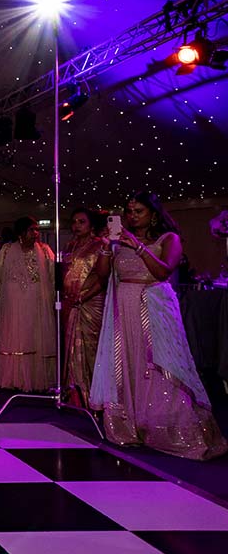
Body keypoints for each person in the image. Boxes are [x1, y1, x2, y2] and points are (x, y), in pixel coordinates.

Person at [91, 192, 226, 460]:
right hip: (123, 309)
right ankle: (129, 426)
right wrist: (108, 246)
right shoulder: (119, 242)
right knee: (128, 364)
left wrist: (137, 246)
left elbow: (163, 271)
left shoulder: (169, 239)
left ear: (154, 214)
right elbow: (103, 274)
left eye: (138, 211)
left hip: (153, 307)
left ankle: (166, 428)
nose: (132, 216)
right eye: (129, 212)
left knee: (159, 366)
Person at [0, 216, 56, 392]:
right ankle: (16, 377)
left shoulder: (44, 251)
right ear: (21, 232)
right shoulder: (6, 250)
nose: (35, 233)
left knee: (35, 335)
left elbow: (51, 277)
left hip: (37, 303)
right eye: (31, 230)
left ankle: (36, 378)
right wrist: (1, 296)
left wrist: (49, 299)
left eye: (37, 229)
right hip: (13, 303)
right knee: (17, 336)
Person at [61, 208, 106, 408]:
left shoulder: (99, 246)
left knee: (92, 348)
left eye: (82, 222)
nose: (76, 226)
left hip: (92, 302)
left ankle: (94, 397)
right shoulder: (70, 246)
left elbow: (104, 277)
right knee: (70, 347)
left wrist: (84, 296)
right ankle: (75, 393)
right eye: (74, 222)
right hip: (71, 303)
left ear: (92, 225)